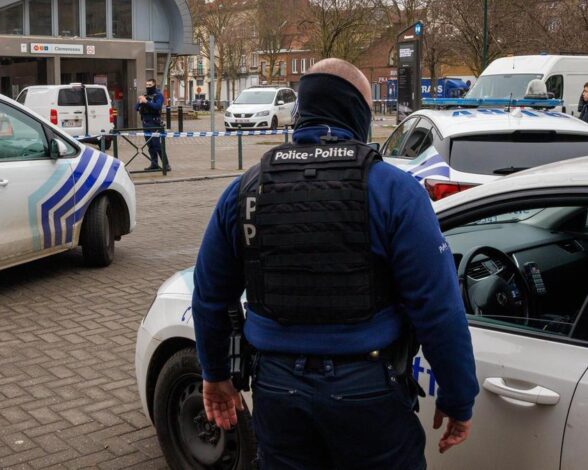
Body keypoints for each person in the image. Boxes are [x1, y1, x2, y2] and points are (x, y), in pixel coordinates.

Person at [192, 58, 479, 469]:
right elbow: (438, 308)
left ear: (301, 111)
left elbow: (209, 297)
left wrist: (216, 374)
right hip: (368, 391)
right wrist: (458, 395)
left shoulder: (245, 188)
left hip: (277, 390)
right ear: (357, 112)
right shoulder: (394, 190)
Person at [136, 78, 169, 171]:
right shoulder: (145, 96)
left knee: (157, 145)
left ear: (154, 85)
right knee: (150, 145)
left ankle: (166, 165)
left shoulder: (159, 95)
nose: (148, 87)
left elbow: (157, 106)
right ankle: (154, 164)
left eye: (150, 85)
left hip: (154, 123)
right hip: (145, 123)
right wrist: (140, 101)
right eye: (146, 85)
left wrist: (146, 101)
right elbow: (136, 108)